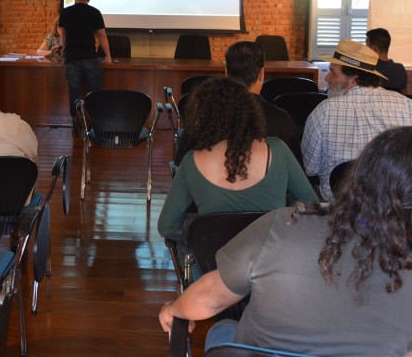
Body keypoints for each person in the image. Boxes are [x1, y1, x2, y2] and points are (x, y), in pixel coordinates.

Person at [159, 126, 412, 357]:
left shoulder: (282, 225)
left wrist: (174, 310)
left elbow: (209, 298)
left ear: (361, 176)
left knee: (223, 330)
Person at [158, 76, 317, 238]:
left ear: (202, 118)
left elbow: (166, 227)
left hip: (213, 261)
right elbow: (313, 206)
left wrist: (200, 227)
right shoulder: (278, 150)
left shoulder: (191, 162)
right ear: (248, 113)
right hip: (272, 260)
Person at [302, 39, 412, 200]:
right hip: (393, 212)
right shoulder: (407, 106)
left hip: (337, 211)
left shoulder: (324, 111)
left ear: (354, 78)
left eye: (333, 72)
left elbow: (310, 168)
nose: (327, 79)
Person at [175, 41, 302, 167]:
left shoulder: (201, 117)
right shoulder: (282, 120)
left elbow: (181, 167)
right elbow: (296, 173)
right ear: (261, 74)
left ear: (226, 73)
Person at [58, 0, 111, 125]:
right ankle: (96, 122)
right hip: (90, 57)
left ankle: (76, 122)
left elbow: (63, 35)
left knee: (74, 92)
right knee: (95, 92)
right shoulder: (95, 12)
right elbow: (102, 36)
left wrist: (66, 50)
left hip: (71, 58)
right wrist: (109, 57)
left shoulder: (65, 12)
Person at [366, 27, 407, 92]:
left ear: (374, 48)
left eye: (366, 44)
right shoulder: (400, 69)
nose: (365, 48)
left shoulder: (367, 69)